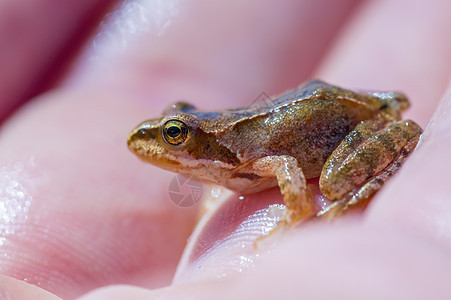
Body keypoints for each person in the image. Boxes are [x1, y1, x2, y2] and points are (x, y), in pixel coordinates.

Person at [0, 1, 450, 299]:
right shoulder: (221, 159)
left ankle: (353, 193)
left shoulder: (244, 155)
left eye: (175, 133)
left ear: (197, 138)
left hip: (349, 124)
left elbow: (285, 164)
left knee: (332, 183)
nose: (159, 142)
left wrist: (294, 216)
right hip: (329, 103)